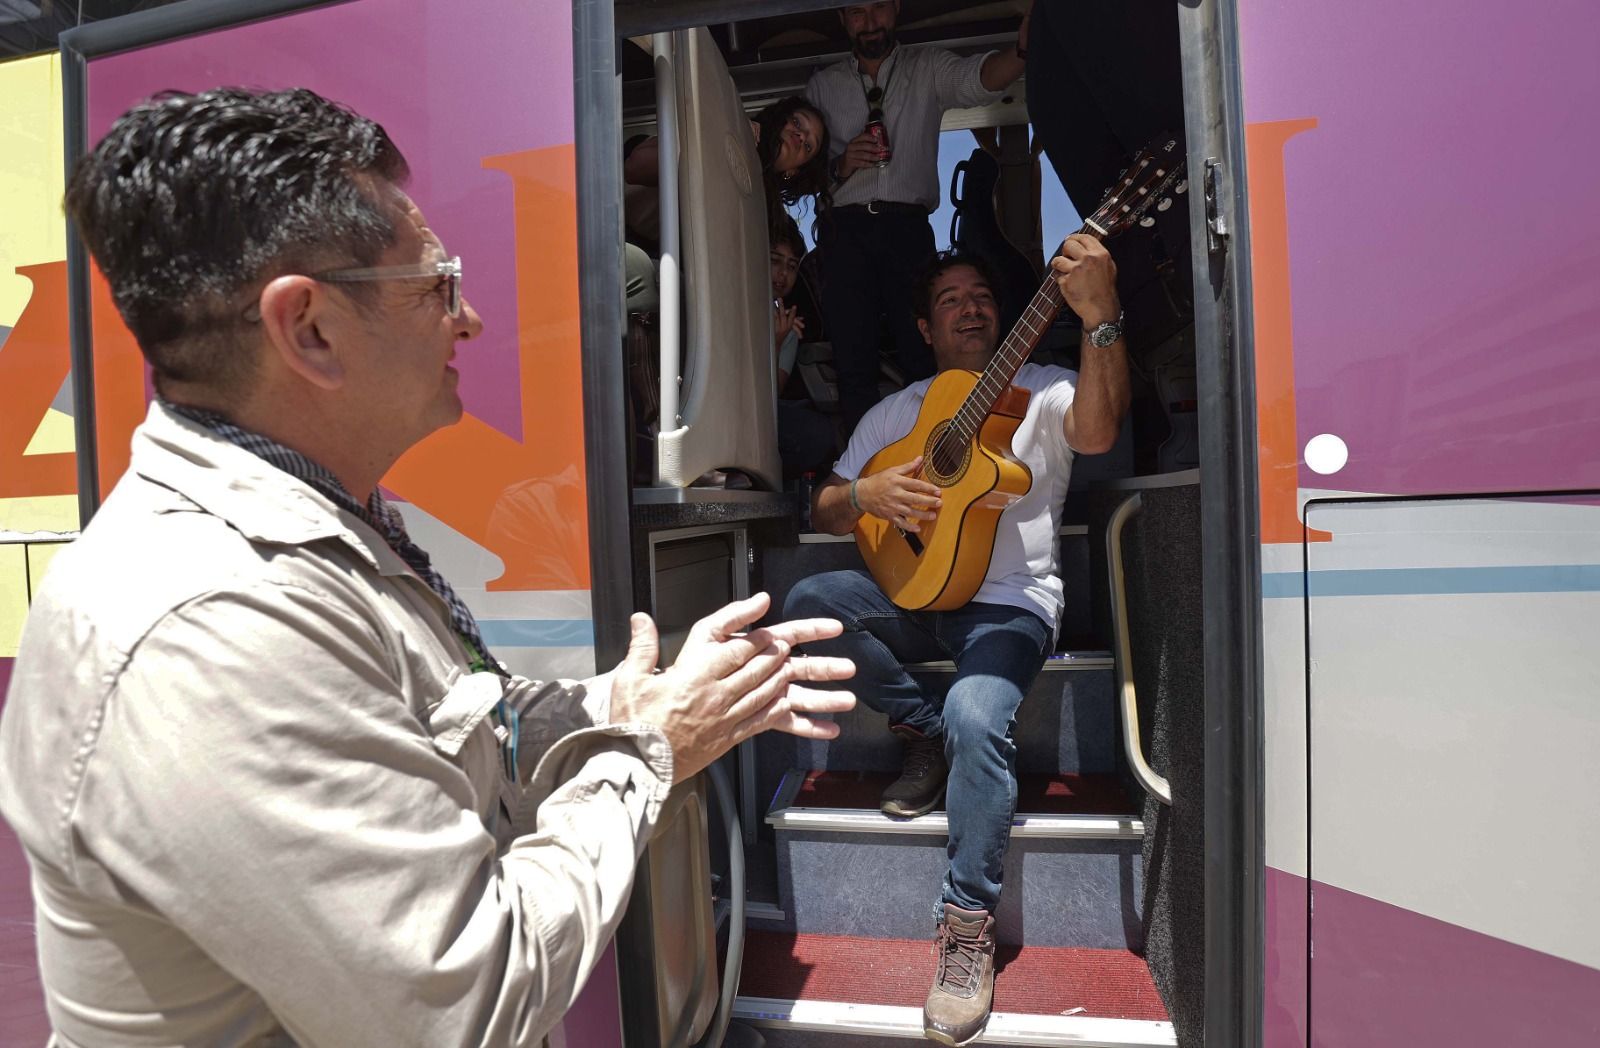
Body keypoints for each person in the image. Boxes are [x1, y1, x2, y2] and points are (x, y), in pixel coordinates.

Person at [0, 87, 855, 1048]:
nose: (472, 319)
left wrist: (623, 701)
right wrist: (647, 753)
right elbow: (469, 1004)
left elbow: (447, 722)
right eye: (436, 283)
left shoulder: (308, 523)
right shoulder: (215, 625)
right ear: (309, 328)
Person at [785, 242, 1129, 1045]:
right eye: (949, 299)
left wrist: (1100, 317)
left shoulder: (1043, 391)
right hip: (917, 593)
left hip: (1009, 607)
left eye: (981, 295)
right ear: (923, 327)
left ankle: (966, 924)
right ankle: (919, 727)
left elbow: (1101, 430)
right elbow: (829, 508)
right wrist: (866, 491)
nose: (970, 307)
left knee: (980, 715)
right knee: (806, 604)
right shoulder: (895, 412)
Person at [806, 0, 1028, 431]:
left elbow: (978, 80)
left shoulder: (926, 66)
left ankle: (937, 460)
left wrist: (1022, 53)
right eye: (856, 13)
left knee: (924, 352)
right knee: (853, 360)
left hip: (906, 228)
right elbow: (797, 167)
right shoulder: (822, 86)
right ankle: (862, 476)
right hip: (844, 231)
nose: (869, 23)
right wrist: (840, 164)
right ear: (841, 19)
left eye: (878, 9)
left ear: (896, 9)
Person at [623, 95, 830, 314]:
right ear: (778, 117)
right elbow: (635, 168)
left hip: (679, 281)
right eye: (797, 123)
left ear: (793, 171)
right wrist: (721, 138)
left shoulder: (763, 214)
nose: (800, 136)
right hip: (624, 237)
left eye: (808, 146)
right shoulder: (723, 130)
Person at [770, 214, 838, 480]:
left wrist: (776, 342)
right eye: (775, 261)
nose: (782, 274)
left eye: (792, 266)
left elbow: (770, 398)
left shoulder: (789, 327)